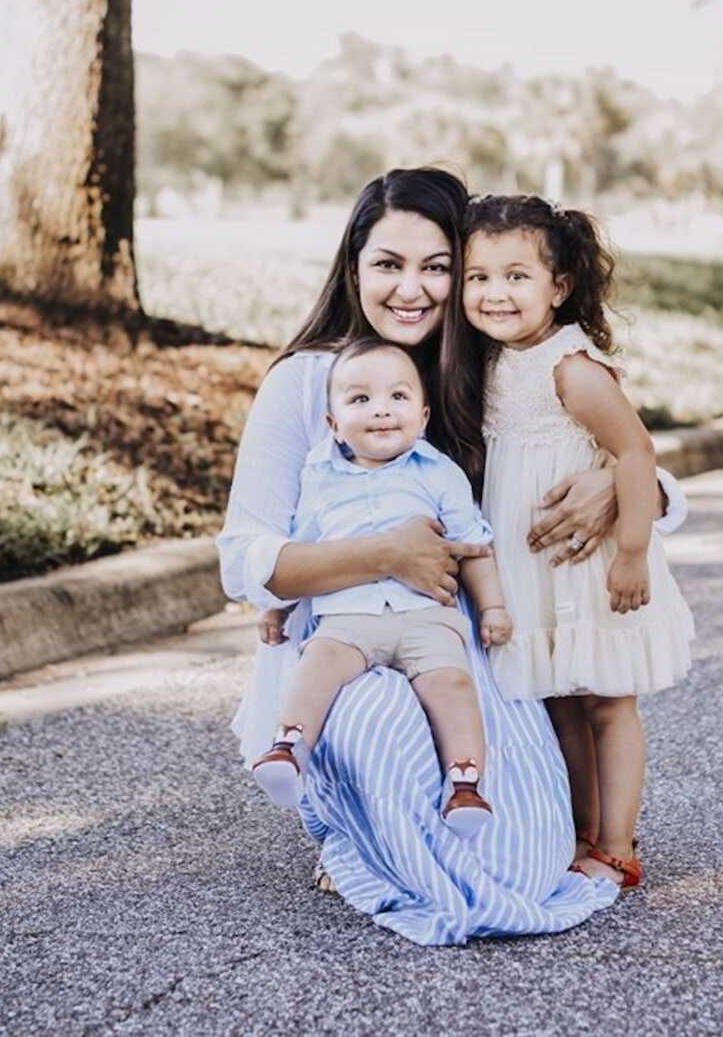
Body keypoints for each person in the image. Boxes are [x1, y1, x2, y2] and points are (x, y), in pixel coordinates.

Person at [218, 166, 686, 946]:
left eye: (437, 267)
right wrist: (382, 553)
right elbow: (244, 560)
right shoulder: (311, 381)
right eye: (389, 264)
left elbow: (638, 467)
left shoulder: (484, 365)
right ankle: (359, 827)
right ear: (353, 267)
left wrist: (620, 486)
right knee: (383, 722)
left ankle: (563, 832)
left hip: (461, 645)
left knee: (531, 858)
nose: (414, 289)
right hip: (350, 645)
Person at [461, 193, 695, 891]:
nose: (494, 293)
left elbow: (635, 452)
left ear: (559, 286)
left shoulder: (572, 366)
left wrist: (629, 551)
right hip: (534, 569)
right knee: (561, 697)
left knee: (608, 699)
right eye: (478, 276)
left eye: (515, 275)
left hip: (591, 566)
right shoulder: (492, 362)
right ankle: (583, 827)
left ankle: (619, 842)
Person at [251, 336, 512, 839]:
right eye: (359, 400)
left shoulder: (438, 473)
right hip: (349, 619)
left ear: (423, 414)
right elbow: (301, 548)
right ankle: (289, 747)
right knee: (316, 665)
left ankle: (465, 784)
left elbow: (473, 544)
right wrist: (275, 607)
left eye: (398, 397)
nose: (381, 411)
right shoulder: (320, 476)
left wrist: (493, 607)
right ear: (333, 425)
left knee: (453, 686)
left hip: (426, 617)